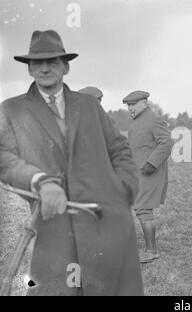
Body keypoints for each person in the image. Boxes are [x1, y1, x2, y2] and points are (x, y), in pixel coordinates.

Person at [0, 30, 143, 295]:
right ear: (29, 69)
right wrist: (39, 180)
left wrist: (124, 190)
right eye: (37, 63)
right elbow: (4, 158)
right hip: (54, 225)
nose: (45, 68)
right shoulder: (12, 109)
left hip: (105, 220)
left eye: (52, 61)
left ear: (65, 66)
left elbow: (119, 149)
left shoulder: (89, 105)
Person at [123, 91, 173, 263]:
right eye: (128, 105)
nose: (130, 108)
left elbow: (166, 143)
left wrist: (152, 164)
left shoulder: (154, 119)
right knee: (140, 207)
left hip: (150, 172)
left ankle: (152, 251)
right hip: (137, 172)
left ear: (144, 102)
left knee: (143, 208)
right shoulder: (135, 123)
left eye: (133, 104)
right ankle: (150, 249)